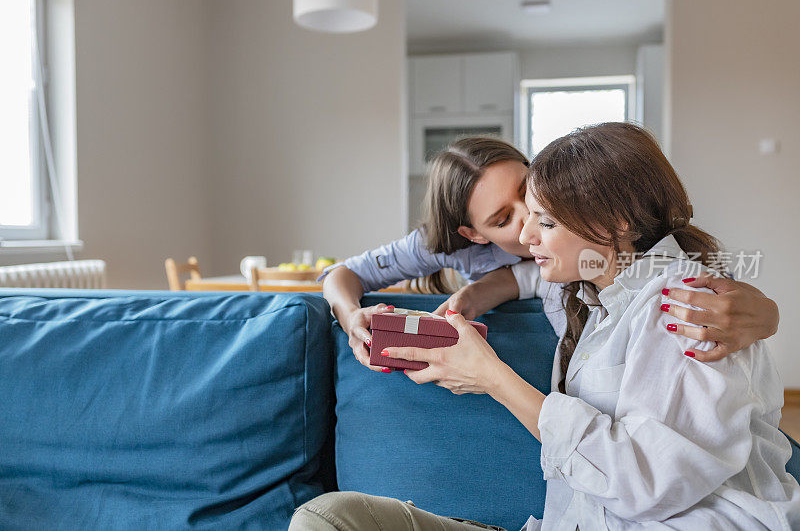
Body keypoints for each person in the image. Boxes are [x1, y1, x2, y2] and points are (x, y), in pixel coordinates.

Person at [294, 123, 799, 530]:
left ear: (614, 219)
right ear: (472, 234)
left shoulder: (688, 306)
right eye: (516, 217)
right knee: (327, 518)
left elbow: (645, 483)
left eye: (544, 218)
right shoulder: (581, 287)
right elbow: (518, 278)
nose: (526, 232)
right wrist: (463, 304)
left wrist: (491, 376)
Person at [322, 138, 779, 373]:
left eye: (530, 194)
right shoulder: (437, 245)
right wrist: (349, 315)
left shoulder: (594, 233)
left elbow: (677, 263)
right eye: (503, 221)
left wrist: (765, 312)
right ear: (471, 235)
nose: (528, 224)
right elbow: (342, 274)